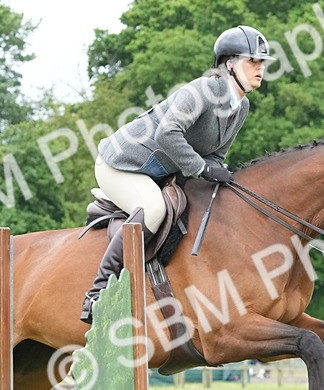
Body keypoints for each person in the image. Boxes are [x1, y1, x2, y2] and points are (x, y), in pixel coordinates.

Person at [80, 25, 275, 323]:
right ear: (230, 64)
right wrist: (202, 169)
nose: (260, 68)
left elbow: (216, 154)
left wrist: (219, 176)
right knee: (154, 209)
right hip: (122, 164)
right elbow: (167, 133)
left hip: (161, 171)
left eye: (262, 63)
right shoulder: (202, 90)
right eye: (253, 61)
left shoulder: (241, 106)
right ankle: (97, 292)